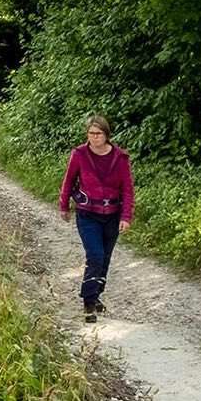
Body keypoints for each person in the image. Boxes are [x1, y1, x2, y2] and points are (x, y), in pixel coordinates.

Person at [59, 114, 134, 322]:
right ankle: (89, 302)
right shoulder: (79, 154)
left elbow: (127, 190)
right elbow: (68, 181)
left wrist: (126, 216)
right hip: (87, 213)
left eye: (98, 134)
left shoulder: (120, 158)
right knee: (95, 255)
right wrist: (64, 205)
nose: (94, 138)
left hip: (112, 215)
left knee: (105, 259)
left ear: (106, 135)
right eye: (90, 134)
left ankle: (96, 293)